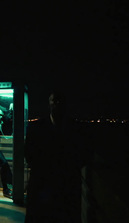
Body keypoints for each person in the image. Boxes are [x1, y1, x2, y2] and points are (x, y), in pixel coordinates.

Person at [24, 91, 83, 223]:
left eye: (59, 101)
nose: (56, 104)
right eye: (54, 101)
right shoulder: (75, 128)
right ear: (49, 104)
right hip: (43, 185)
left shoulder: (36, 128)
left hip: (64, 188)